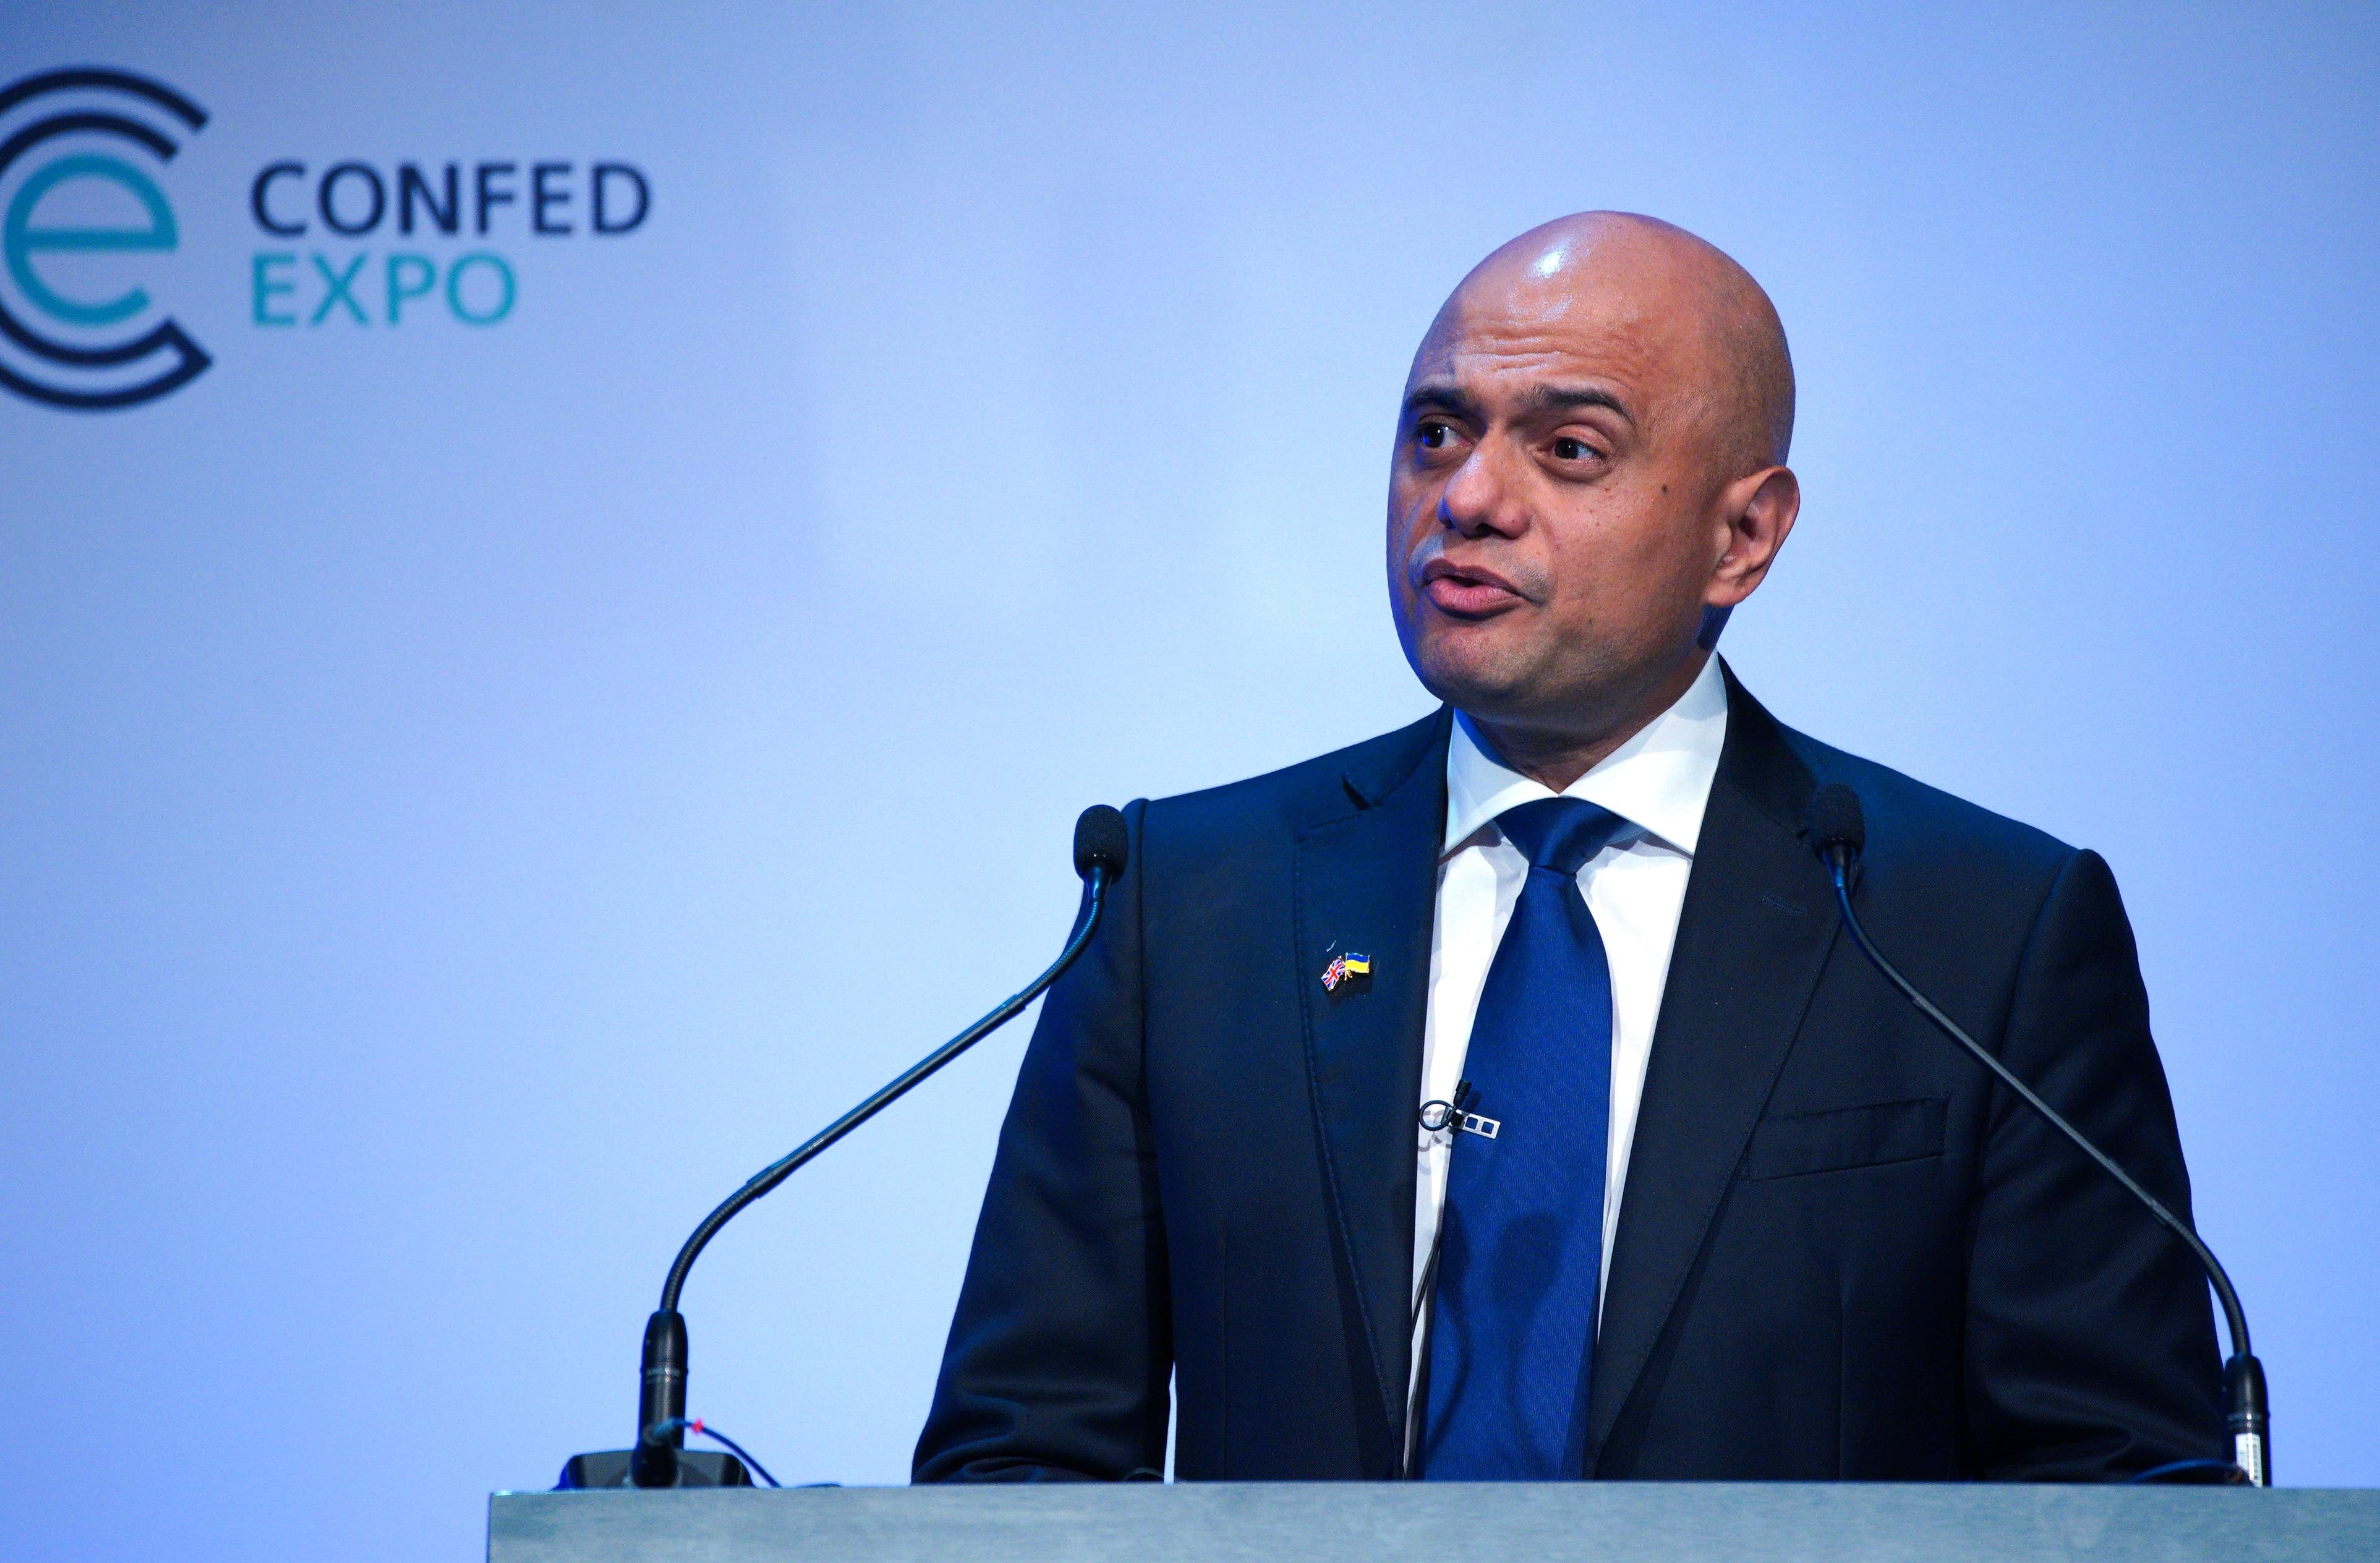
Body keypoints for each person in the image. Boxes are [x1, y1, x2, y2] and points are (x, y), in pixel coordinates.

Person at [913, 213, 2224, 1482]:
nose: (1468, 497)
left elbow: (2112, 1486)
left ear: (1742, 534)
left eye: (1569, 449)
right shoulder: (1186, 903)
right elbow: (1021, 1453)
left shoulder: (1970, 932)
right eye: (1436, 432)